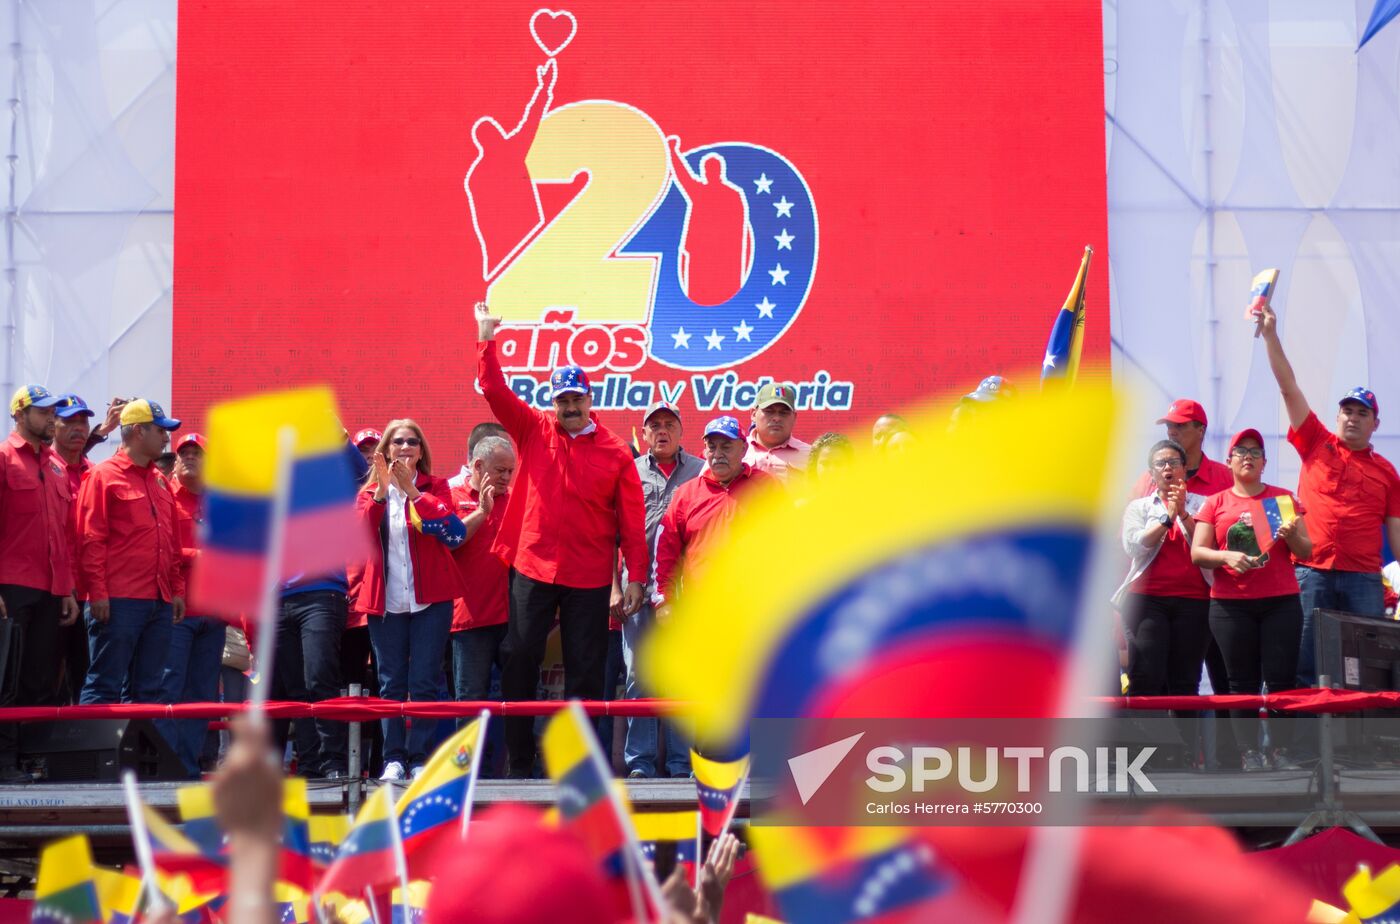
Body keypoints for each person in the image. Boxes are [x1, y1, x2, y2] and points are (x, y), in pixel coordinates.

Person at [474, 300, 649, 778]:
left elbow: (632, 523)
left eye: (577, 399)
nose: (569, 407)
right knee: (520, 657)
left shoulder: (615, 452)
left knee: (587, 672)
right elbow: (492, 388)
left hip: (589, 575)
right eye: (562, 400)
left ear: (590, 400)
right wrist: (486, 339)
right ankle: (521, 762)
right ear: (552, 401)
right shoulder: (533, 429)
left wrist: (636, 577)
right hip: (532, 564)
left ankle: (581, 766)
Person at [1256, 302, 1400, 687]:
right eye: (1347, 411)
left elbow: (1396, 534)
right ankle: (1300, 747)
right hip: (1312, 572)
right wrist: (1271, 335)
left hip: (1364, 579)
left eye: (1362, 413)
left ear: (1375, 424)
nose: (1352, 417)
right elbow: (1289, 387)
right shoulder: (1315, 442)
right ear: (1336, 418)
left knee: (1366, 668)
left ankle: (1362, 747)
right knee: (1303, 661)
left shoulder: (1388, 472)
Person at [1191, 429, 1312, 770]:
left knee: (1280, 679)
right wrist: (1226, 557)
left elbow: (1306, 551)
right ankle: (1249, 752)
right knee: (1240, 682)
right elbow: (1197, 553)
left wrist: (1291, 535)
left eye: (1255, 452)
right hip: (1231, 604)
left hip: (1280, 601)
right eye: (1240, 451)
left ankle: (1281, 751)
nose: (1248, 456)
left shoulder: (1282, 499)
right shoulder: (1216, 502)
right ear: (1229, 461)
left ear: (1264, 462)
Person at [355, 420, 466, 781]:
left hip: (430, 600)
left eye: (412, 441)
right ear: (386, 450)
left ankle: (418, 758)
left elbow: (451, 529)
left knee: (423, 681)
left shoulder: (437, 487)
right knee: (390, 683)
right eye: (397, 441)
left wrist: (414, 494)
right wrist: (385, 492)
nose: (405, 447)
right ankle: (393, 759)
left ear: (421, 451)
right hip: (386, 602)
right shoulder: (369, 492)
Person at [76, 399, 185, 705]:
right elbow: (90, 538)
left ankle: (134, 755)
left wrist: (175, 590)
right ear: (138, 431)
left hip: (159, 601)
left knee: (148, 691)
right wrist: (97, 593)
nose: (166, 438)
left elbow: (171, 543)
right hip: (118, 600)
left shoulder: (161, 480)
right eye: (161, 430)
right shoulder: (103, 476)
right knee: (104, 686)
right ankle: (94, 755)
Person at [273, 434, 368, 780]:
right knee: (296, 689)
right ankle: (310, 763)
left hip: (321, 596)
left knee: (320, 681)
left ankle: (333, 763)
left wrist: (340, 439)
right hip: (278, 601)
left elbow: (362, 474)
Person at [618, 401, 704, 779]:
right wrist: (613, 589)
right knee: (639, 675)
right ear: (644, 432)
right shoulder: (629, 471)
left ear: (681, 430)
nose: (662, 431)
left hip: (684, 593)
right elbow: (610, 534)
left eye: (670, 424)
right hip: (636, 586)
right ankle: (640, 763)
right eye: (655, 426)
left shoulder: (701, 471)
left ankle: (681, 763)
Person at [1114, 439, 1212, 763]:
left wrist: (1182, 513)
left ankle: (1183, 752)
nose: (1168, 468)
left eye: (1174, 462)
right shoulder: (1139, 508)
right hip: (1147, 600)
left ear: (1185, 469)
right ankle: (1148, 753)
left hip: (1193, 600)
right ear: (1151, 473)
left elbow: (1208, 545)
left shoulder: (1203, 504)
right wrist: (1166, 517)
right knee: (1147, 674)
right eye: (1161, 463)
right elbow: (1135, 546)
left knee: (1185, 678)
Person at [0, 385, 80, 783]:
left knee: (42, 680)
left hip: (51, 589)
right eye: (44, 412)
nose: (52, 418)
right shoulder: (2, 458)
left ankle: (35, 761)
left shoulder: (56, 466)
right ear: (20, 413)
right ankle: (5, 763)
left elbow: (63, 535)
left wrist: (66, 590)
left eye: (53, 412)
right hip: (11, 586)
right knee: (7, 680)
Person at [653, 416, 776, 619]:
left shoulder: (767, 488)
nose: (718, 454)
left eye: (726, 447)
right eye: (712, 447)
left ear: (744, 450)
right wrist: (664, 602)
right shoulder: (687, 494)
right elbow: (666, 550)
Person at [153, 432, 225, 777]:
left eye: (198, 453)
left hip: (213, 615)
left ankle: (186, 767)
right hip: (176, 611)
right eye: (184, 452)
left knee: (202, 695)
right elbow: (159, 549)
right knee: (168, 689)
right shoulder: (163, 495)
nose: (190, 458)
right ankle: (164, 766)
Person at [449, 436, 515, 703]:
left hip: (514, 620)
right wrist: (481, 512)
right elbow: (449, 543)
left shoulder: (516, 500)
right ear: (478, 465)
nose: (507, 477)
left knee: (521, 697)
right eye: (500, 470)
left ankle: (522, 747)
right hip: (469, 619)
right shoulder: (451, 496)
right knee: (470, 699)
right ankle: (470, 748)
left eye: (510, 471)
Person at [666, 135, 750, 306]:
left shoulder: (712, 193)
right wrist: (673, 152)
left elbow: (683, 177)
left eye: (710, 169)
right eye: (707, 169)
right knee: (701, 294)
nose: (708, 173)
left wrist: (673, 151)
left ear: (718, 171)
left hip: (719, 255)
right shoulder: (729, 194)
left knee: (715, 293)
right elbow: (683, 176)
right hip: (708, 253)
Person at [1128, 399, 1234, 499]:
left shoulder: (1226, 478)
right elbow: (1128, 515)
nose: (1171, 432)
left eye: (1179, 426)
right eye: (1169, 426)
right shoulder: (1149, 478)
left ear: (1200, 431)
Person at [743, 383, 810, 482]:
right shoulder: (735, 451)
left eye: (783, 413)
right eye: (769, 411)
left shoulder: (811, 455)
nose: (777, 418)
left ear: (795, 417)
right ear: (753, 414)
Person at [448, 421, 511, 489]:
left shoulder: (507, 493)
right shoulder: (449, 491)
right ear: (483, 446)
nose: (509, 450)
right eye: (503, 445)